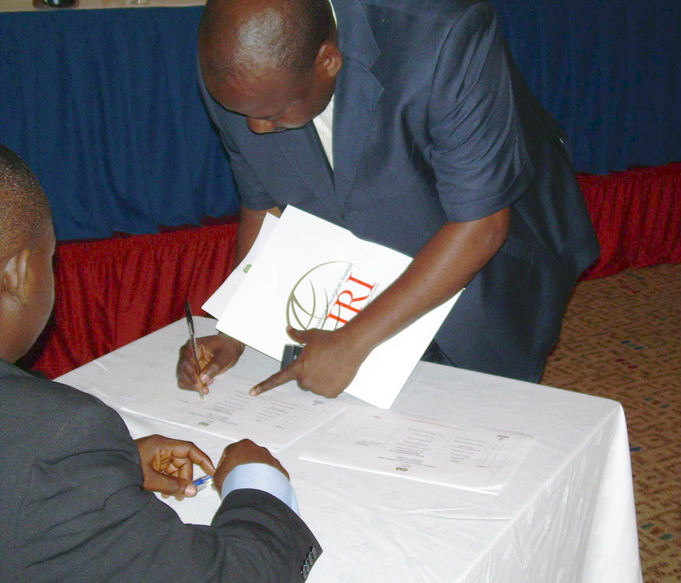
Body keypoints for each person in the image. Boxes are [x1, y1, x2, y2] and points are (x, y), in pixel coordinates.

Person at [177, 0, 600, 399]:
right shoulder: (238, 74)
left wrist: (353, 341)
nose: (255, 127)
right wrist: (236, 327)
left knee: (487, 417)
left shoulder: (446, 36)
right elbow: (263, 204)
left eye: (271, 113)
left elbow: (481, 224)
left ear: (328, 61)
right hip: (369, 267)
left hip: (489, 256)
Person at [0, 144, 321, 582]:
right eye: (50, 257)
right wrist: (257, 482)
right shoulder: (55, 436)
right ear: (16, 274)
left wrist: (105, 469)